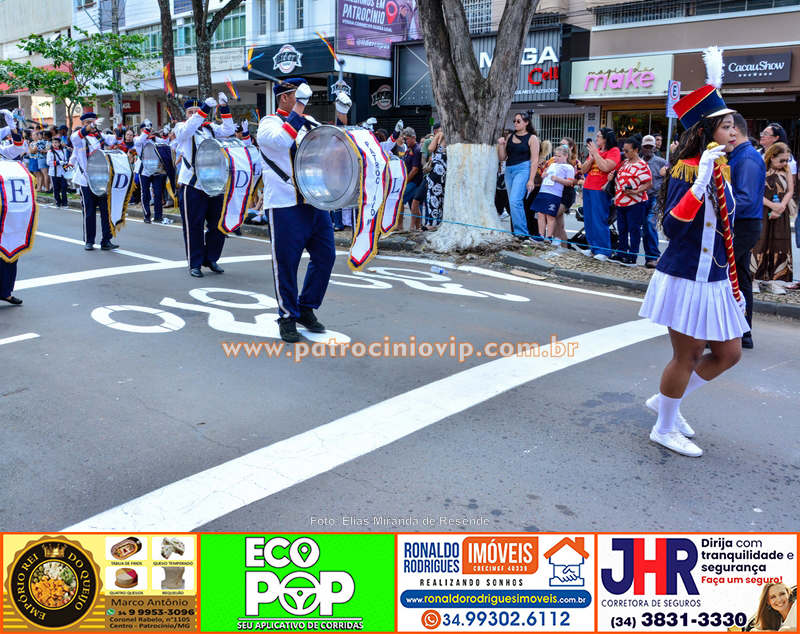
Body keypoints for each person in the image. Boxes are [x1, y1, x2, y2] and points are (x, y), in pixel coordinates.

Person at [639, 53, 746, 458]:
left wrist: (734, 284)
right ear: (706, 131)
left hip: (714, 279)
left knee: (729, 353)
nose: (733, 131)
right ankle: (664, 427)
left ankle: (667, 401)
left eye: (733, 124)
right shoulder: (688, 169)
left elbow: (725, 234)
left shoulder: (721, 166)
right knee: (688, 354)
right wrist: (699, 183)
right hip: (685, 275)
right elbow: (672, 228)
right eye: (726, 125)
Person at [257, 78, 338, 343]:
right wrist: (300, 107)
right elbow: (282, 141)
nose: (304, 99)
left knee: (326, 256)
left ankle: (305, 307)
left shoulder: (308, 121)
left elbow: (330, 145)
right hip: (285, 205)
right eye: (298, 95)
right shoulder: (268, 123)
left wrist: (342, 117)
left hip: (314, 202)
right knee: (287, 264)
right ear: (285, 97)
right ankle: (287, 316)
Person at [173, 93, 235, 277]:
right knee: (194, 225)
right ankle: (195, 263)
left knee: (218, 224)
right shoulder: (181, 128)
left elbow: (229, 129)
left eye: (196, 111)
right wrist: (204, 109)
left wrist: (224, 107)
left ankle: (211, 258)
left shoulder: (209, 128)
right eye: (190, 112)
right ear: (186, 114)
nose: (194, 114)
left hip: (213, 183)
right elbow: (189, 128)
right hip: (193, 184)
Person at [728, 114, 767, 348]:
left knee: (723, 273)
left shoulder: (748, 158)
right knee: (740, 277)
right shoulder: (739, 155)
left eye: (725, 127)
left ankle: (731, 331)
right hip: (741, 223)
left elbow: (745, 198)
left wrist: (716, 208)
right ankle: (743, 332)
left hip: (743, 224)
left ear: (734, 129)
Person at [70, 112, 122, 251]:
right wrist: (89, 128)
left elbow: (116, 140)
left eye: (93, 122)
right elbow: (75, 137)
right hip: (86, 180)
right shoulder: (78, 138)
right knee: (89, 211)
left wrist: (119, 126)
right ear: (82, 124)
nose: (92, 125)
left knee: (106, 211)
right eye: (88, 123)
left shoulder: (100, 136)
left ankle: (106, 240)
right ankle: (89, 241)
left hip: (102, 179)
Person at [751, 142, 794, 295]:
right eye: (782, 160)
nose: (785, 163)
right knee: (759, 242)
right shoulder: (759, 168)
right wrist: (772, 206)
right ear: (772, 157)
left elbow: (790, 190)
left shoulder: (786, 170)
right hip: (761, 210)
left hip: (780, 212)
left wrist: (781, 206)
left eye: (787, 160)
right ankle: (754, 278)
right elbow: (754, 191)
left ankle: (774, 281)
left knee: (779, 243)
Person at [0, 112, 29, 305]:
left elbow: (19, 147)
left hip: (7, 207)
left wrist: (12, 126)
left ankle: (5, 291)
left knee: (9, 247)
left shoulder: (3, 151)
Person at [497, 111, 540, 238]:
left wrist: (531, 179)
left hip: (523, 169)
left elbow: (535, 160)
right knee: (512, 202)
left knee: (515, 201)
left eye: (518, 121)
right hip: (509, 169)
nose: (515, 123)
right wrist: (501, 145)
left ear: (526, 122)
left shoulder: (532, 138)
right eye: (514, 121)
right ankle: (518, 232)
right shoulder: (510, 136)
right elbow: (503, 157)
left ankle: (522, 233)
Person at [580, 127, 621, 260]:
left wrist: (596, 155)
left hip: (600, 189)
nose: (596, 138)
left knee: (599, 218)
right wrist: (591, 158)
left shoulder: (614, 151)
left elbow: (606, 167)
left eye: (599, 136)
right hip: (588, 187)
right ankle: (592, 247)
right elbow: (583, 170)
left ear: (606, 139)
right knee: (589, 219)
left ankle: (603, 250)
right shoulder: (595, 151)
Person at [611, 136, 652, 266]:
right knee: (622, 229)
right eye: (623, 150)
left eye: (627, 150)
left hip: (636, 202)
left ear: (636, 150)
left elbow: (649, 183)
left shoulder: (642, 165)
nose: (624, 152)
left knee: (634, 229)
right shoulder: (624, 163)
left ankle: (632, 256)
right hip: (621, 201)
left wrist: (636, 192)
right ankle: (622, 253)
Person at [532, 144, 574, 244]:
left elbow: (570, 182)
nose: (556, 158)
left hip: (554, 193)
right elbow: (545, 174)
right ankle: (541, 234)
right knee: (540, 213)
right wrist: (544, 175)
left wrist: (558, 179)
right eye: (555, 155)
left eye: (559, 156)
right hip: (544, 190)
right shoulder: (552, 165)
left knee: (550, 215)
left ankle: (549, 236)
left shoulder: (569, 167)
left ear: (566, 156)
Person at [134, 119, 171, 225]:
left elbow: (165, 142)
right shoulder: (138, 139)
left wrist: (165, 134)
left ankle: (158, 216)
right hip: (144, 171)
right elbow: (139, 141)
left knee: (158, 193)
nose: (149, 131)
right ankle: (146, 215)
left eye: (149, 129)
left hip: (156, 170)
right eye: (146, 129)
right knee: (145, 194)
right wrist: (146, 131)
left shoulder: (154, 139)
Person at [640, 135, 665, 268]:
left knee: (650, 223)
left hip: (655, 197)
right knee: (643, 227)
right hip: (640, 197)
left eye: (651, 147)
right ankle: (646, 257)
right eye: (646, 147)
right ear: (642, 148)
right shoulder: (638, 162)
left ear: (655, 148)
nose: (648, 149)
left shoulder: (661, 162)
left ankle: (653, 256)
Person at [423, 127, 447, 230]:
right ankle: (439, 221)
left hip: (437, 170)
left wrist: (436, 137)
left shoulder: (441, 134)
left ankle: (432, 222)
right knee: (441, 198)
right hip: (445, 171)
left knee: (433, 196)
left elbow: (430, 148)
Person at [401, 127, 424, 231]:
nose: (406, 141)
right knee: (413, 205)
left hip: (414, 181)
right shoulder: (409, 149)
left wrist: (406, 181)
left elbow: (415, 170)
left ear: (413, 137)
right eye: (405, 139)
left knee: (401, 200)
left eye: (408, 139)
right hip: (412, 180)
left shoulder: (417, 150)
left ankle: (400, 225)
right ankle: (417, 227)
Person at [47, 137, 69, 208]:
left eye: (56, 143)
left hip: (62, 172)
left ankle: (65, 202)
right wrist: (58, 162)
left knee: (64, 187)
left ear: (59, 143)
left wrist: (66, 164)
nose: (54, 144)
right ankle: (58, 202)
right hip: (54, 172)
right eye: (53, 143)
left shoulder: (63, 151)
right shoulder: (50, 152)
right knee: (56, 188)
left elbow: (66, 160)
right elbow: (48, 162)